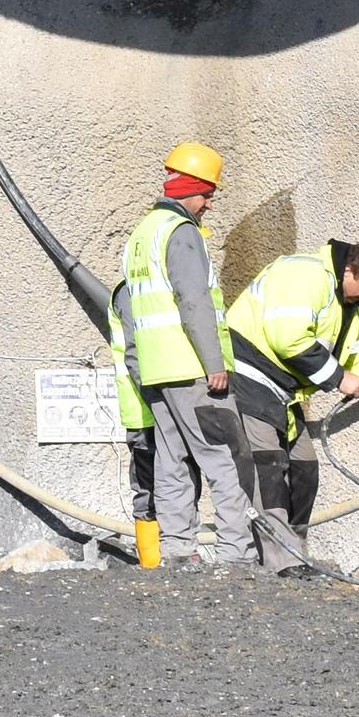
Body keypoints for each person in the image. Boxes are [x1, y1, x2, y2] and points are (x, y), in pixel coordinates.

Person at [221, 239, 359, 569]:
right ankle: (281, 561)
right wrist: (338, 377)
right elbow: (287, 337)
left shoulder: (347, 306)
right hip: (248, 376)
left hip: (282, 392)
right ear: (349, 271)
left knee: (305, 468)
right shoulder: (306, 275)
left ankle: (294, 551)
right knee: (269, 467)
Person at [111, 140, 255, 567]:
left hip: (156, 371)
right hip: (191, 368)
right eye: (208, 194)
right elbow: (193, 301)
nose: (210, 204)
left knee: (172, 460)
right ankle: (235, 553)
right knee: (224, 457)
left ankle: (176, 550)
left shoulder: (141, 234)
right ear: (190, 188)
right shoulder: (181, 232)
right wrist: (214, 363)